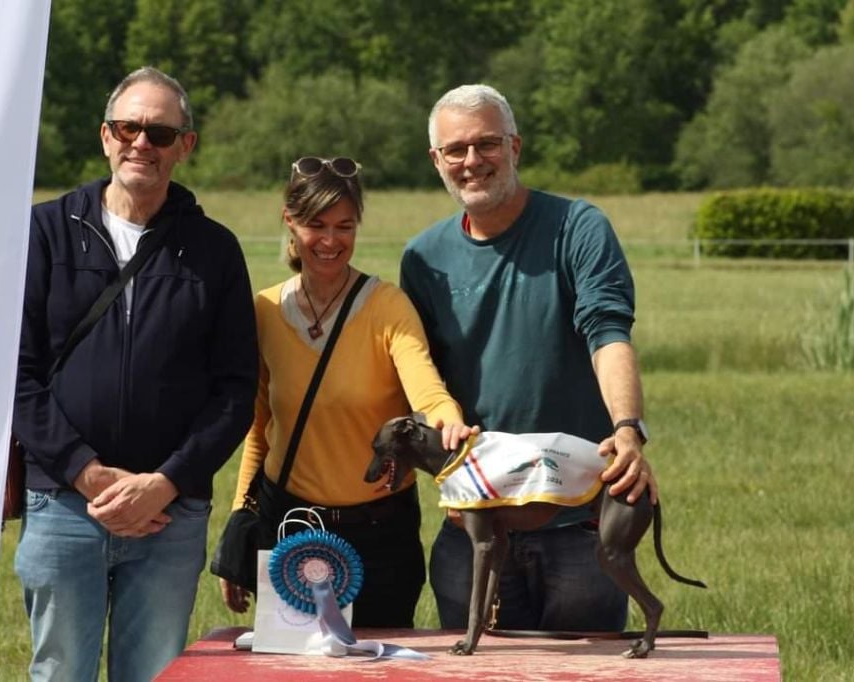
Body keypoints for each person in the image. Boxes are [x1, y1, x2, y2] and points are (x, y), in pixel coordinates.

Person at [13, 66, 259, 682]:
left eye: (159, 132)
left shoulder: (214, 249)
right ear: (105, 136)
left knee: (154, 675)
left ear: (186, 145)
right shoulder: (44, 233)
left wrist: (165, 482)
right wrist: (87, 474)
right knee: (60, 672)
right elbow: (16, 375)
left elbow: (235, 391)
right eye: (128, 127)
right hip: (64, 503)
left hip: (169, 516)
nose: (141, 143)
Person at [400, 84, 657, 633]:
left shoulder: (578, 228)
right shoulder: (422, 259)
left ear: (515, 146)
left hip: (579, 524)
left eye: (487, 144)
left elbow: (608, 332)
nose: (472, 161)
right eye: (455, 149)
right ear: (436, 160)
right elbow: (424, 382)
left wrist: (628, 428)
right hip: (474, 528)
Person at [218, 156, 470, 627]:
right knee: (292, 672)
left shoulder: (388, 306)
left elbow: (427, 390)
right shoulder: (265, 311)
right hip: (288, 524)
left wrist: (446, 421)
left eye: (344, 226)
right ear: (288, 221)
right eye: (316, 225)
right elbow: (260, 430)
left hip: (381, 533)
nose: (331, 241)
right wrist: (241, 521)